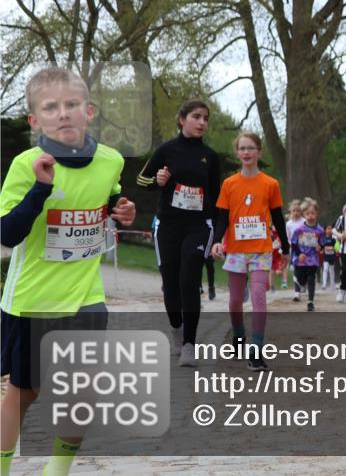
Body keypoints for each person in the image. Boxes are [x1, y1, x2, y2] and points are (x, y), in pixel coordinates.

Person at [1, 67, 136, 476]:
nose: (63, 114)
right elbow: (8, 233)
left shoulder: (111, 160)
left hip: (85, 296)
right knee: (25, 392)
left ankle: (57, 469)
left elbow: (112, 197)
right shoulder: (26, 165)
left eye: (72, 105)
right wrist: (41, 189)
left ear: (88, 111)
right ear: (34, 120)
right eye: (51, 107)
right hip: (31, 299)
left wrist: (123, 209)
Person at [137, 100, 221, 366]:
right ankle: (177, 329)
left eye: (206, 118)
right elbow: (143, 180)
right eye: (196, 117)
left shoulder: (210, 156)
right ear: (182, 119)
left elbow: (218, 198)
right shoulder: (166, 150)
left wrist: (218, 233)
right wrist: (157, 181)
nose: (202, 123)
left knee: (189, 278)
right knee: (171, 284)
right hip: (169, 224)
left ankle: (189, 344)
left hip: (199, 225)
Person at [211, 131, 289, 371]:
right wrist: (216, 241)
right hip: (235, 249)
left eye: (250, 148)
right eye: (242, 148)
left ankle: (256, 350)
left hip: (260, 250)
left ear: (259, 152)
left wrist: (285, 247)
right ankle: (238, 335)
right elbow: (222, 218)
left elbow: (277, 217)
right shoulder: (229, 184)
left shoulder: (270, 184)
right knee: (235, 301)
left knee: (258, 297)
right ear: (237, 153)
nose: (246, 152)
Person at [291, 198, 324, 312]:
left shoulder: (320, 230)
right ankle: (300, 284)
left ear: (316, 214)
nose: (310, 216)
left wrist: (320, 247)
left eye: (313, 213)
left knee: (311, 279)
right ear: (304, 215)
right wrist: (299, 254)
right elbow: (293, 243)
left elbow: (322, 243)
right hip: (301, 259)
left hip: (312, 259)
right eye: (307, 213)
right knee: (301, 280)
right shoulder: (299, 229)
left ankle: (310, 302)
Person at [286, 199, 305, 301]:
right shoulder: (288, 224)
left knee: (303, 270)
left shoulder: (304, 222)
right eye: (294, 211)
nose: (296, 213)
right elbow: (288, 237)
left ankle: (303, 283)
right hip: (294, 249)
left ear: (301, 212)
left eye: (298, 211)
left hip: (305, 249)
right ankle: (296, 292)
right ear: (291, 212)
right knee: (295, 270)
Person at [320, 224, 338, 291]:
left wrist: (336, 249)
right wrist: (321, 250)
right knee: (325, 269)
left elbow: (337, 247)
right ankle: (324, 284)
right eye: (328, 228)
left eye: (330, 229)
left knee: (331, 270)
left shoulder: (333, 239)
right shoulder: (323, 239)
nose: (329, 230)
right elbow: (321, 247)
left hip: (332, 256)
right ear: (325, 230)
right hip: (326, 257)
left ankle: (332, 284)